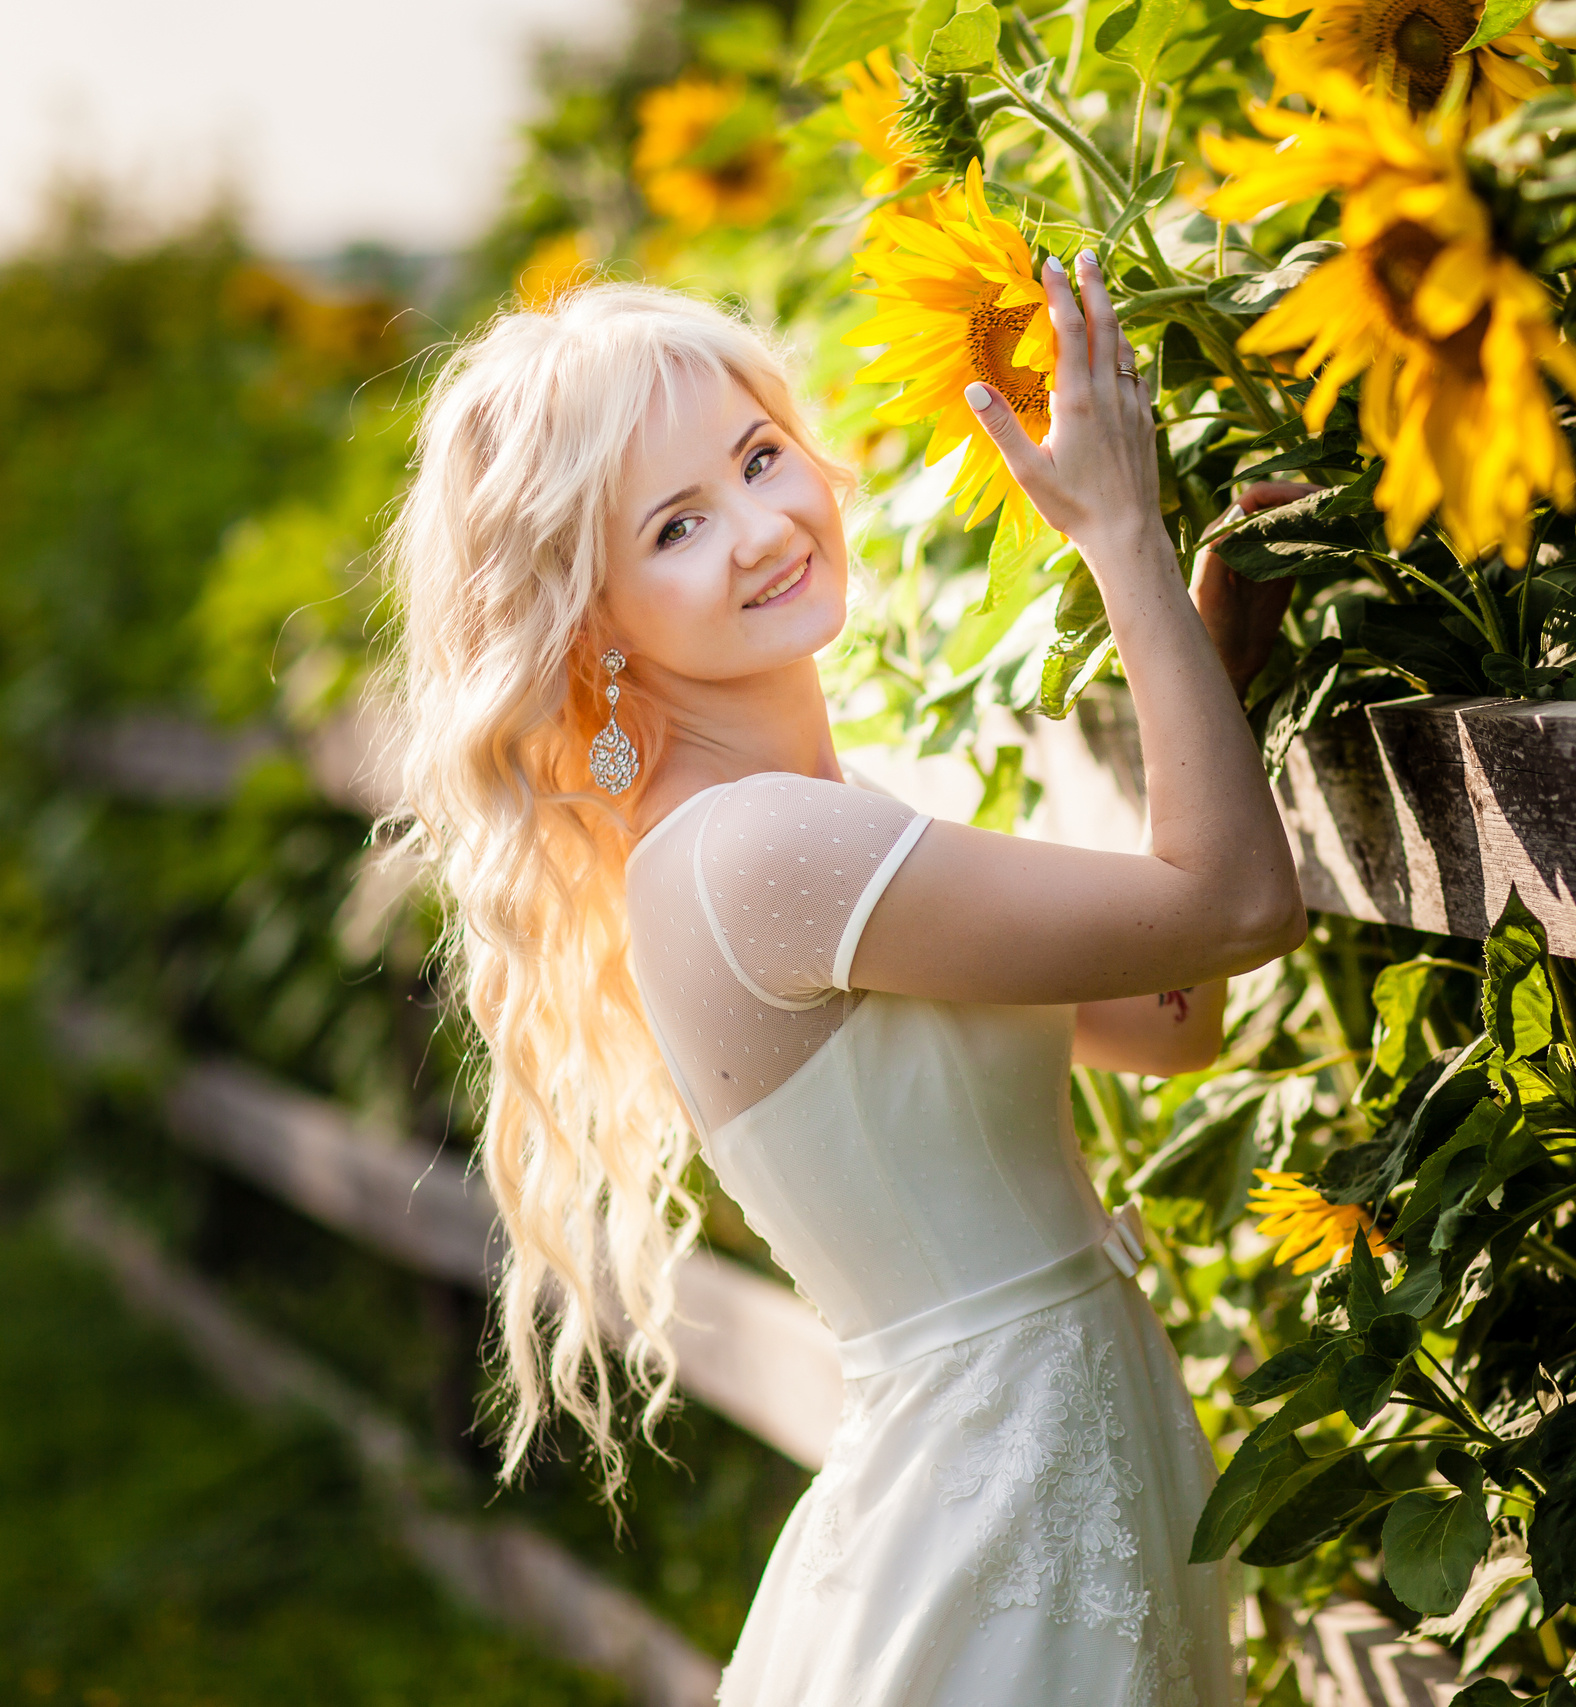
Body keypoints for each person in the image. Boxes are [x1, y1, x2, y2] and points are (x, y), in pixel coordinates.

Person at [385, 256, 1305, 1706]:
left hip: (1039, 1472)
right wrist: (1121, 537)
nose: (761, 528)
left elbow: (1166, 1021)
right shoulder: (758, 851)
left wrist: (1213, 665)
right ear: (594, 621)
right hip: (997, 1508)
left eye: (759, 459)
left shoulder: (810, 826)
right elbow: (1239, 906)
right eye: (678, 525)